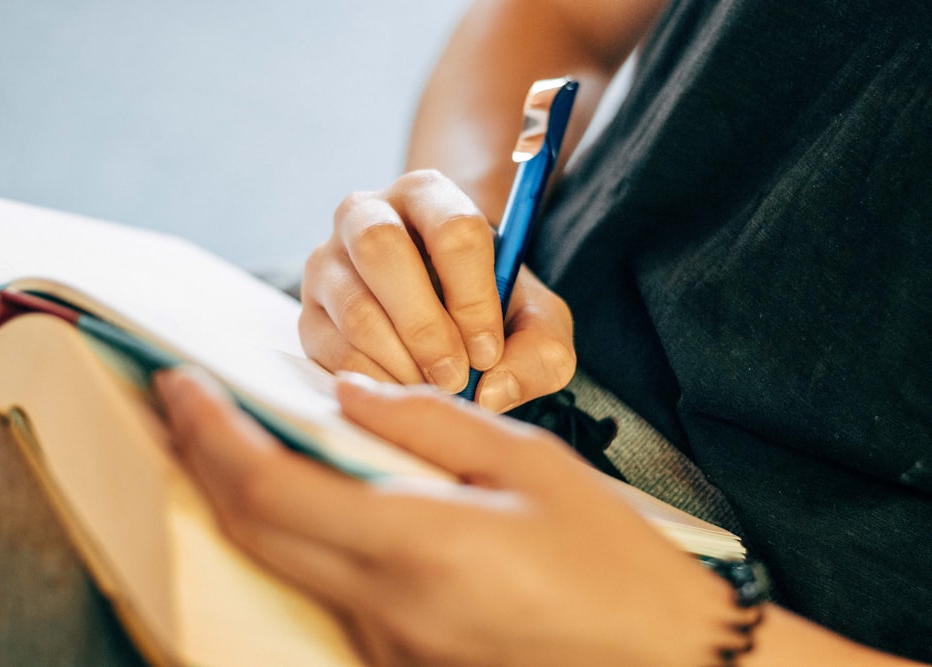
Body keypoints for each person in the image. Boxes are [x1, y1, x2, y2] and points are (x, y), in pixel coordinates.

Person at [155, 0, 932, 665]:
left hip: (736, 616)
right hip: (485, 357)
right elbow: (562, 20)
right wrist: (461, 224)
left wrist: (691, 637)